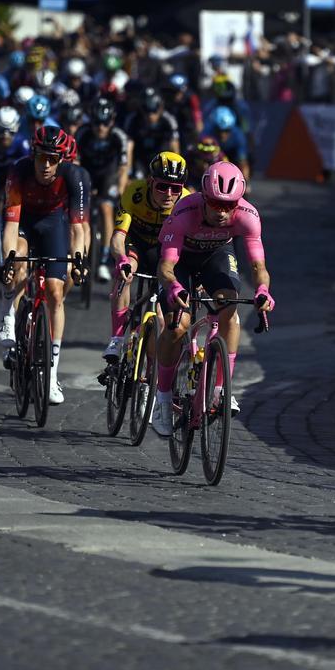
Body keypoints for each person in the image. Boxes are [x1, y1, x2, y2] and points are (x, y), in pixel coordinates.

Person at [152, 161, 274, 435]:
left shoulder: (248, 216)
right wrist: (173, 287)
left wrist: (263, 291)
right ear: (204, 198)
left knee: (229, 308)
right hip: (181, 260)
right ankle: (162, 398)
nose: (222, 212)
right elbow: (166, 267)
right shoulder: (184, 212)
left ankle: (220, 390)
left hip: (216, 256)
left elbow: (258, 267)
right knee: (177, 326)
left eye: (228, 205)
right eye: (216, 204)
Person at [0, 126, 90, 405]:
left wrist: (78, 260)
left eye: (52, 159)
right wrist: (8, 262)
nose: (46, 165)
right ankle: (8, 315)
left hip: (53, 224)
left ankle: (51, 374)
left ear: (61, 160)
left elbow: (78, 230)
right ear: (33, 155)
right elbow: (11, 227)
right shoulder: (18, 172)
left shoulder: (74, 176)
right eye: (42, 158)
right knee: (20, 262)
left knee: (55, 291)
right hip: (24, 222)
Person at [104, 151, 191, 361]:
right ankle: (116, 339)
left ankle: (152, 373)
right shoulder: (135, 192)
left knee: (162, 319)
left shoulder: (187, 202)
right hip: (137, 245)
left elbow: (189, 248)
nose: (169, 194)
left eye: (175, 188)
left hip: (165, 252)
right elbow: (117, 237)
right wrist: (121, 259)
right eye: (162, 186)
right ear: (151, 182)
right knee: (125, 272)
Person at [75, 97, 132, 284]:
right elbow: (74, 162)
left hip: (109, 175)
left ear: (112, 121)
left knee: (107, 208)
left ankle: (104, 259)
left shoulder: (119, 136)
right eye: (97, 123)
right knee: (78, 209)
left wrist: (121, 190)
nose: (101, 127)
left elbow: (123, 167)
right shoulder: (82, 133)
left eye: (105, 123)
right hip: (87, 173)